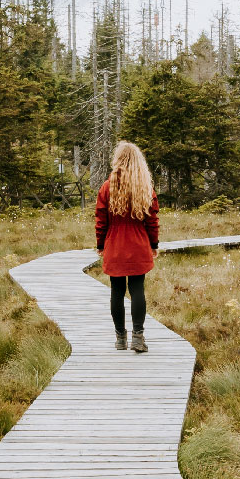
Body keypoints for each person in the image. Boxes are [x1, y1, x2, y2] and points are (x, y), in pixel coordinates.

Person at [95, 140, 160, 353]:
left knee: (116, 291)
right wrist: (154, 244)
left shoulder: (107, 186)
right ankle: (138, 338)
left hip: (114, 245)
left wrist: (101, 244)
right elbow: (152, 220)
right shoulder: (144, 187)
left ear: (118, 159)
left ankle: (120, 339)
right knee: (137, 289)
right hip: (138, 245)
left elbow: (101, 219)